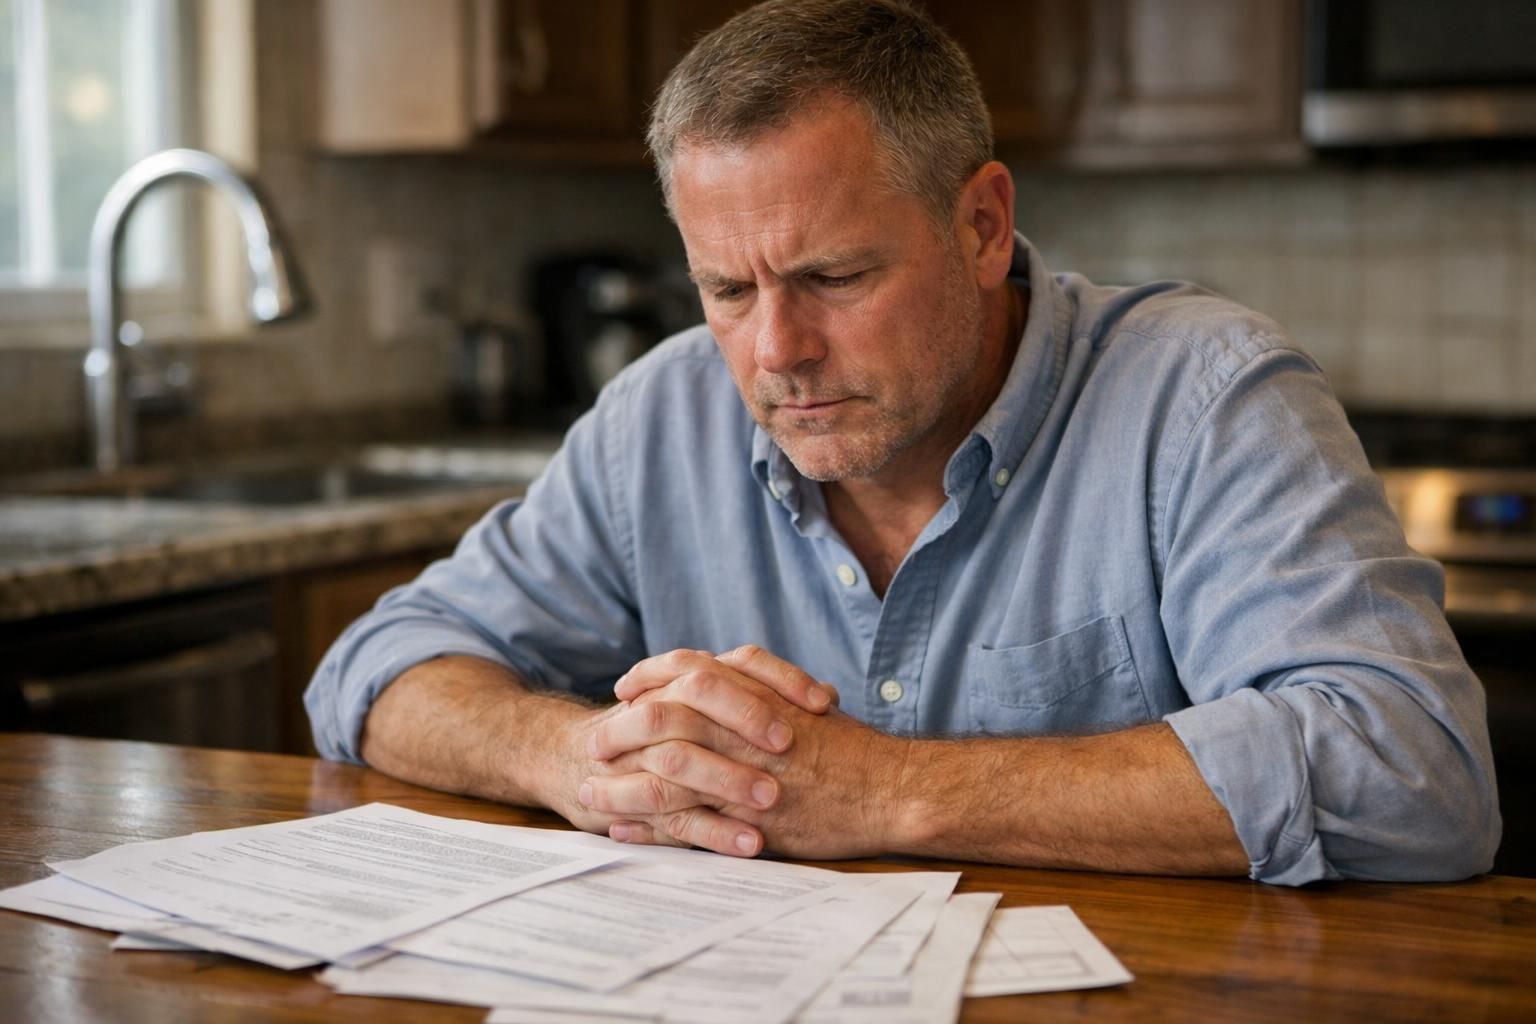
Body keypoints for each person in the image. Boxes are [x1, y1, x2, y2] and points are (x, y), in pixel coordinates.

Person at [305, 0, 1499, 885]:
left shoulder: (1205, 396)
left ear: (982, 223)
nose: (776, 350)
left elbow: (1413, 772)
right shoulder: (660, 416)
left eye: (834, 275)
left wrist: (880, 789)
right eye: (725, 288)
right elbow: (377, 666)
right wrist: (578, 757)